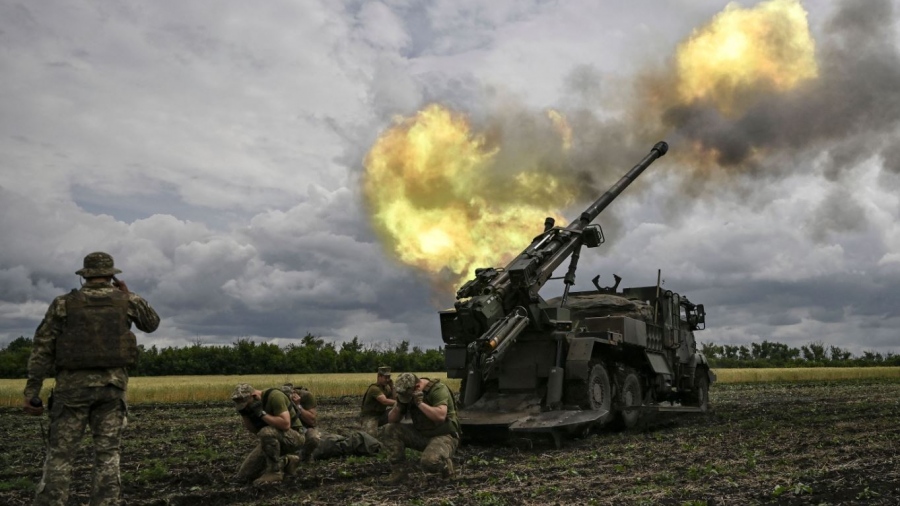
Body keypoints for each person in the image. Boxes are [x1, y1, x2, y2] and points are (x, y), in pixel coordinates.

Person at [22, 251, 160, 506]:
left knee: (60, 455)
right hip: (112, 389)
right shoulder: (127, 300)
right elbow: (151, 324)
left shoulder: (63, 303)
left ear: (85, 275)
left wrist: (33, 391)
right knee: (108, 454)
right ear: (111, 275)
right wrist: (128, 294)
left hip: (72, 390)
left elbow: (42, 347)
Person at [382, 372, 461, 484]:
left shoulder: (438, 389)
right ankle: (399, 472)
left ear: (417, 387)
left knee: (429, 462)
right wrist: (400, 405)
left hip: (444, 435)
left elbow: (440, 416)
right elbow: (391, 419)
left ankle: (446, 466)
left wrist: (420, 403)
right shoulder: (407, 395)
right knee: (390, 429)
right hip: (422, 434)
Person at [232, 383, 305, 486]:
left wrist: (262, 414)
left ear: (254, 396)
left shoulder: (274, 396)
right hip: (273, 437)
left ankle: (274, 472)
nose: (246, 407)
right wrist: (245, 414)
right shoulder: (251, 407)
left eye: (246, 404)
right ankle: (288, 461)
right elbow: (254, 430)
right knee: (243, 476)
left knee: (266, 432)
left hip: (295, 437)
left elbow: (285, 424)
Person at [281, 383, 321, 461]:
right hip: (288, 428)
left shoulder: (306, 396)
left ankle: (306, 456)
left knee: (314, 438)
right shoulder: (278, 399)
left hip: (305, 427)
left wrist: (297, 405)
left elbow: (312, 420)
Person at [359, 366, 396, 436]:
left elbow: (394, 399)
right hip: (370, 416)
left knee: (398, 411)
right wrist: (400, 403)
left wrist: (392, 386)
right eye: (386, 377)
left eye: (389, 377)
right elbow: (385, 401)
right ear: (379, 377)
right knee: (370, 437)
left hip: (381, 414)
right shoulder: (374, 389)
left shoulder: (386, 388)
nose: (388, 380)